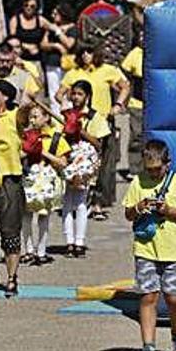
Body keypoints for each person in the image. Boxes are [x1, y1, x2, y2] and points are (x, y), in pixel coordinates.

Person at [124, 140, 176, 351]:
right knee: (148, 296)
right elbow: (128, 214)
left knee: (174, 298)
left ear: (167, 163)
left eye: (157, 168)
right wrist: (139, 207)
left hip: (174, 249)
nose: (153, 173)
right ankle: (148, 348)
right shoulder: (138, 182)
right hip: (146, 247)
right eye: (149, 169)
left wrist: (169, 211)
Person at [56, 45, 130, 219]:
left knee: (104, 164)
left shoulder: (108, 70)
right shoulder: (73, 73)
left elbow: (125, 86)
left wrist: (118, 104)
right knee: (78, 161)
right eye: (82, 53)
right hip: (79, 123)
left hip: (102, 122)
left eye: (89, 52)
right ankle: (78, 201)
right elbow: (59, 94)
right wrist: (66, 105)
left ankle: (98, 203)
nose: (85, 56)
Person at [0, 79, 24, 297]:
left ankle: (11, 277)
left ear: (5, 97)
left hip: (10, 179)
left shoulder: (13, 116)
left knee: (10, 230)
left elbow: (25, 115)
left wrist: (26, 103)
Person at [59, 80, 107, 258]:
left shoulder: (94, 116)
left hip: (85, 162)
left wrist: (81, 131)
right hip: (68, 158)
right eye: (74, 94)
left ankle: (79, 241)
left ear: (87, 96)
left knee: (80, 202)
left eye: (80, 94)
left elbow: (99, 143)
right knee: (66, 202)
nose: (76, 97)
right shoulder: (64, 114)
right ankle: (68, 241)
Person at [19, 102, 69, 266]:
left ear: (46, 117)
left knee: (44, 216)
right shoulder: (24, 136)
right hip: (29, 179)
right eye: (30, 117)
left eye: (36, 116)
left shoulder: (55, 137)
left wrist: (42, 152)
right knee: (26, 216)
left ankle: (41, 250)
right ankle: (28, 249)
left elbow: (63, 162)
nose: (32, 120)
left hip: (47, 180)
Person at [39, 3, 77, 114]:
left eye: (56, 13)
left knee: (68, 91)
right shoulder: (51, 27)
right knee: (53, 92)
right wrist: (56, 46)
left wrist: (58, 32)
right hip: (52, 63)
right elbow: (43, 44)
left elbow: (69, 44)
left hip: (67, 64)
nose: (53, 15)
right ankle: (56, 116)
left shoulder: (72, 28)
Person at [121, 34, 144, 179]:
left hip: (156, 103)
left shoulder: (158, 50)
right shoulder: (135, 53)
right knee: (137, 136)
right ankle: (135, 169)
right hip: (137, 102)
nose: (142, 38)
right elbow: (124, 71)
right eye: (140, 36)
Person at [0, 40, 41, 107]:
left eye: (8, 61)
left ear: (14, 59)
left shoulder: (24, 77)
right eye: (1, 61)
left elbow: (34, 99)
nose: (5, 64)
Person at [8, 0, 47, 75]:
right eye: (26, 5)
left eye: (32, 6)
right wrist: (26, 46)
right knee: (21, 84)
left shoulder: (40, 20)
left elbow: (53, 28)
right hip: (20, 60)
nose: (28, 8)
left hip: (37, 60)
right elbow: (11, 41)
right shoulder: (15, 20)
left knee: (38, 86)